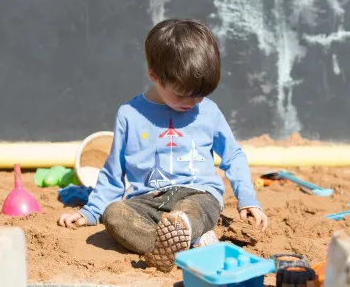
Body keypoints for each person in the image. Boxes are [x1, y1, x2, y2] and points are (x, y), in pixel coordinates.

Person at [58, 18, 268, 273]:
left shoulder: (208, 112)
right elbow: (114, 171)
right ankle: (183, 242)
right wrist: (91, 211)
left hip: (197, 194)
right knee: (114, 214)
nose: (192, 102)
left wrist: (248, 199)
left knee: (194, 209)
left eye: (200, 94)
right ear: (154, 76)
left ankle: (185, 230)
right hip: (147, 202)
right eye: (182, 94)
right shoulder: (130, 114)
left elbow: (233, 156)